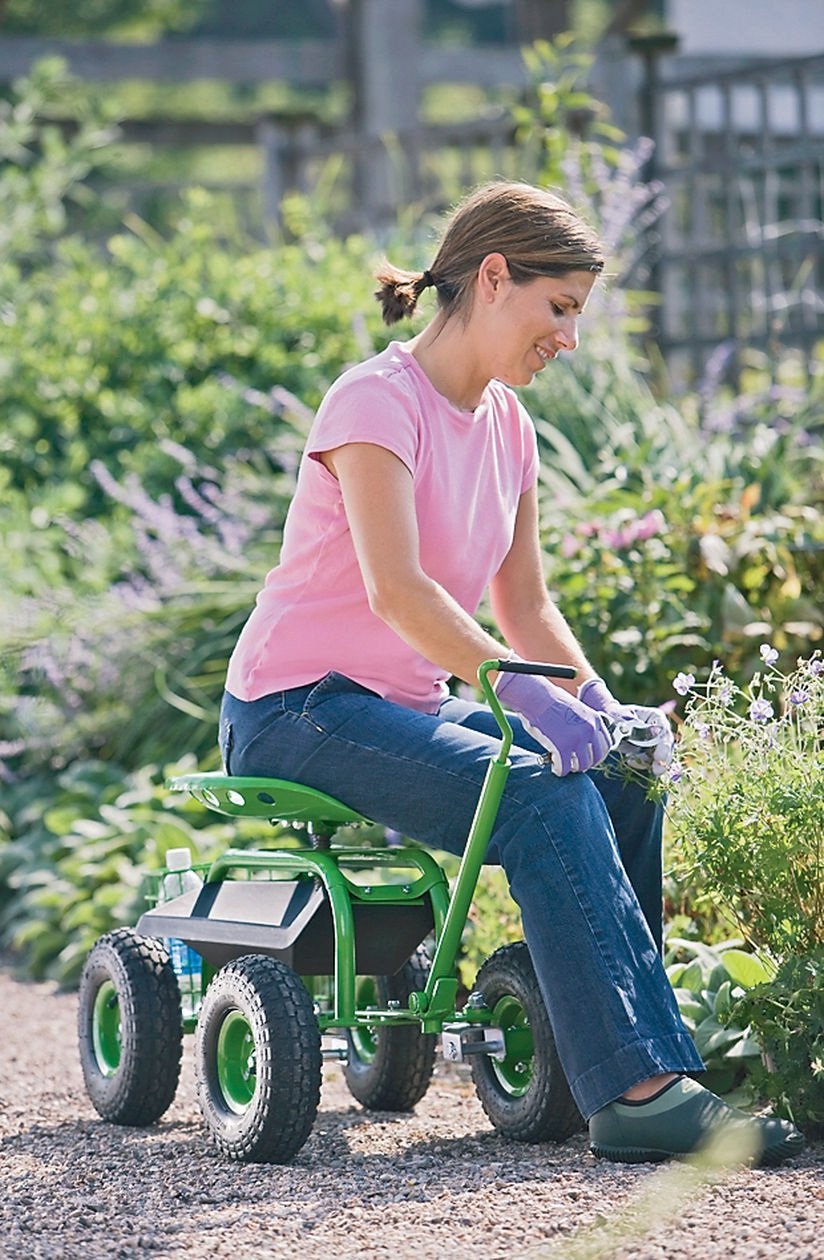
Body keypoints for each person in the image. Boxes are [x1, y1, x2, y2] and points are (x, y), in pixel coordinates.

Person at [219, 180, 803, 1166]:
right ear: (494, 278)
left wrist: (600, 705)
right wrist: (523, 693)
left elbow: (525, 607)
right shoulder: (375, 401)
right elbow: (398, 592)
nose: (569, 339)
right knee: (536, 791)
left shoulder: (508, 428)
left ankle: (626, 1057)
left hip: (402, 704)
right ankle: (638, 1089)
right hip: (294, 708)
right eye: (561, 307)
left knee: (619, 770)